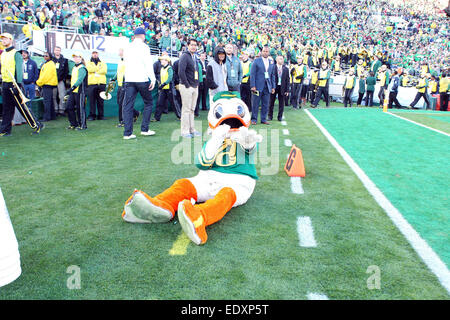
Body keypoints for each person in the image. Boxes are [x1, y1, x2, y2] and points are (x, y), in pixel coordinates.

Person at [0, 33, 43, 136]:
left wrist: (18, 84)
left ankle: (36, 125)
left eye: (5, 39)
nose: (3, 41)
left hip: (14, 84)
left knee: (22, 107)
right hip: (5, 83)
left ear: (10, 40)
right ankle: (5, 130)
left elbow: (19, 70)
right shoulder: (3, 54)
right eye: (2, 39)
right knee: (7, 109)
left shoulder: (16, 53)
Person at [122, 27, 156, 140]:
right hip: (141, 79)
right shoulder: (145, 47)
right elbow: (148, 64)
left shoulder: (127, 47)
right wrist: (153, 79)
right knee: (149, 102)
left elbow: (125, 63)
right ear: (143, 35)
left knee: (127, 105)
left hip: (129, 79)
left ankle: (127, 133)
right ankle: (144, 129)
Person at [178, 38, 200, 138]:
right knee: (186, 109)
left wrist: (197, 84)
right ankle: (185, 131)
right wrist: (187, 85)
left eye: (195, 45)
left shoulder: (195, 57)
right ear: (188, 45)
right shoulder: (184, 56)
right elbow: (181, 72)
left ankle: (192, 129)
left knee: (192, 109)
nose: (194, 47)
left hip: (194, 86)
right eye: (192, 45)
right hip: (187, 86)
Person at [114, 48, 139, 127]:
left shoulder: (128, 60)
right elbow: (119, 72)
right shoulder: (120, 61)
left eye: (120, 50)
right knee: (120, 102)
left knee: (123, 103)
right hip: (120, 84)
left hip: (126, 84)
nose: (119, 52)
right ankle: (135, 113)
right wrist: (113, 78)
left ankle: (123, 121)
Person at [250, 45, 275, 125]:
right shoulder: (256, 61)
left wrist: (273, 86)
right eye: (264, 51)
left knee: (265, 103)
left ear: (269, 52)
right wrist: (252, 85)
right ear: (261, 52)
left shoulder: (271, 62)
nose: (265, 52)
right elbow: (252, 74)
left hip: (267, 86)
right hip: (257, 86)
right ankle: (254, 119)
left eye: (267, 51)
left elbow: (272, 75)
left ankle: (263, 119)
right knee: (255, 103)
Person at [66, 52, 88, 131]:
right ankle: (73, 124)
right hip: (73, 91)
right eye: (74, 57)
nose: (75, 58)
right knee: (69, 107)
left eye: (77, 57)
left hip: (80, 91)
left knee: (80, 108)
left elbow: (80, 79)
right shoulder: (74, 67)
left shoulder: (82, 68)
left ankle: (82, 125)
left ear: (81, 58)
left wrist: (72, 88)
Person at [36, 51, 58, 121]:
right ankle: (52, 116)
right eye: (44, 55)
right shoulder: (47, 64)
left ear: (50, 56)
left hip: (47, 84)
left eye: (46, 56)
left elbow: (45, 76)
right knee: (50, 101)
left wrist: (38, 83)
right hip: (48, 84)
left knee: (47, 101)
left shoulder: (49, 64)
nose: (45, 57)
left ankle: (47, 117)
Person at [86, 49, 107, 120]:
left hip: (101, 84)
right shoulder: (88, 62)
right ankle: (92, 115)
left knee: (101, 100)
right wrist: (98, 69)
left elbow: (104, 70)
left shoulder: (103, 62)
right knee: (92, 101)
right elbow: (89, 69)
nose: (95, 54)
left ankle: (101, 115)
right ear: (91, 54)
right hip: (92, 84)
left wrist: (94, 70)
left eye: (96, 53)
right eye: (93, 53)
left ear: (98, 54)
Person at [268, 55, 289, 121]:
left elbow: (287, 80)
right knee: (271, 102)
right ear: (276, 60)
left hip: (282, 87)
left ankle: (279, 117)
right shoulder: (273, 67)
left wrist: (287, 90)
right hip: (274, 87)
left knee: (281, 103)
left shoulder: (286, 69)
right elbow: (270, 78)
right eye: (280, 59)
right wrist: (271, 87)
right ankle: (270, 116)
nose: (282, 60)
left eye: (282, 59)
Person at [154, 55, 175, 122]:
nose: (161, 61)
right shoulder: (162, 68)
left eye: (162, 60)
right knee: (159, 103)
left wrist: (163, 84)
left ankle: (180, 116)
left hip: (169, 89)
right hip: (163, 88)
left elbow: (170, 78)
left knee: (174, 103)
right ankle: (157, 118)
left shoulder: (169, 68)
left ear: (166, 61)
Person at [52, 46, 69, 117]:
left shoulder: (64, 60)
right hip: (52, 80)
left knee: (62, 96)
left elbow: (66, 71)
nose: (57, 51)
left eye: (59, 50)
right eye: (56, 50)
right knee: (53, 96)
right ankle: (55, 110)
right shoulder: (51, 60)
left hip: (61, 80)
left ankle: (62, 109)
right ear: (54, 51)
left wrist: (63, 79)